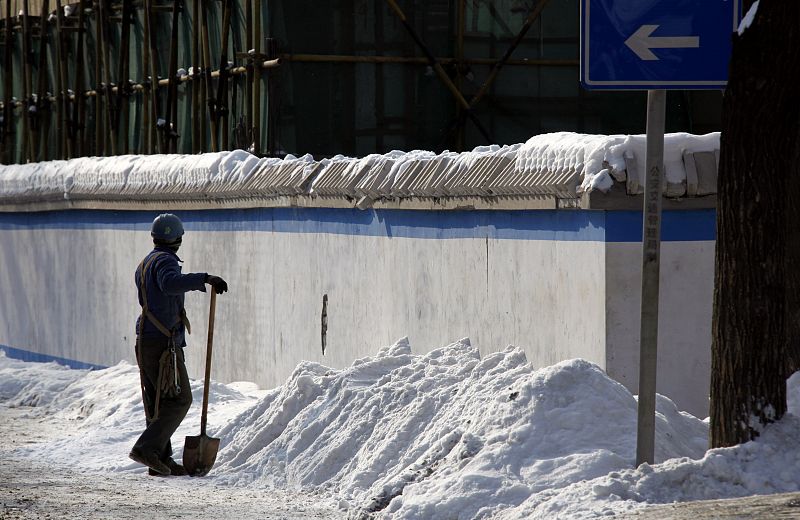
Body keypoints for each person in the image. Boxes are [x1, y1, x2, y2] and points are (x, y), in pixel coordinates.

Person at [129, 213, 228, 476]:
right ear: (178, 238)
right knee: (180, 398)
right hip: (161, 343)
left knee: (158, 400)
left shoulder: (147, 262)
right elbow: (170, 284)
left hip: (146, 339)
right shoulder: (165, 261)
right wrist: (204, 279)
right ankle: (146, 448)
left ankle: (160, 459)